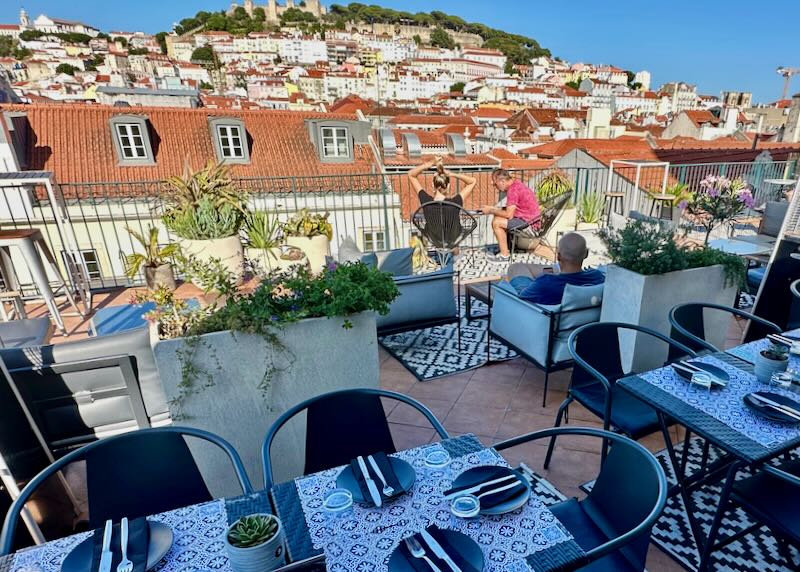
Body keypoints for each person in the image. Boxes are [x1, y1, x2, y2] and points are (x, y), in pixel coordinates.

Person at [506, 232, 604, 305]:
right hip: (579, 325)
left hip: (542, 313)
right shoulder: (598, 277)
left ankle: (558, 268)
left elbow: (522, 298)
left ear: (558, 256)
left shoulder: (544, 284)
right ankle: (557, 269)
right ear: (586, 254)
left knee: (515, 268)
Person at [408, 156, 476, 248]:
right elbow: (473, 181)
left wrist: (430, 163)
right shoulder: (455, 202)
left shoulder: (426, 201)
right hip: (454, 240)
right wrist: (452, 174)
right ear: (448, 186)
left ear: (433, 185)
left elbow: (411, 174)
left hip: (434, 240)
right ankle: (454, 251)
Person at [481, 169, 541, 262]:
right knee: (498, 216)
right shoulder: (516, 184)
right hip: (530, 219)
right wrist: (494, 210)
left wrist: (491, 210)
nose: (494, 185)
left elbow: (509, 215)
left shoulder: (513, 190)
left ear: (502, 181)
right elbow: (511, 210)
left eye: (495, 183)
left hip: (529, 224)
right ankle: (505, 248)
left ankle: (505, 255)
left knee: (497, 222)